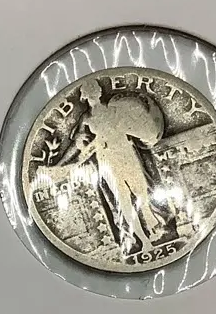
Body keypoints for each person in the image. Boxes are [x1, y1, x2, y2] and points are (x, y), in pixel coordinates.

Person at [64, 76, 167, 254]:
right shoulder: (86, 118)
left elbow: (132, 127)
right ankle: (143, 240)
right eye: (90, 91)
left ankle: (155, 226)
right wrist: (71, 157)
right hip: (106, 159)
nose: (94, 94)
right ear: (84, 96)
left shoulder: (115, 109)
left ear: (100, 91)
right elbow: (78, 143)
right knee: (123, 199)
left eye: (95, 89)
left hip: (126, 153)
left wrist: (145, 133)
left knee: (141, 191)